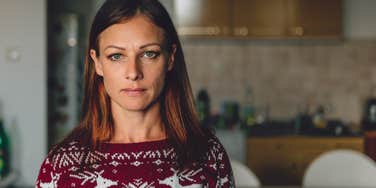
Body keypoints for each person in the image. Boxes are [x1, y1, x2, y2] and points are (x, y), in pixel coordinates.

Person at [36, 0, 234, 187]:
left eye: (149, 54)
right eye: (116, 56)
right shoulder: (60, 167)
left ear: (170, 58)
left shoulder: (207, 154)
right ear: (97, 63)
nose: (133, 72)